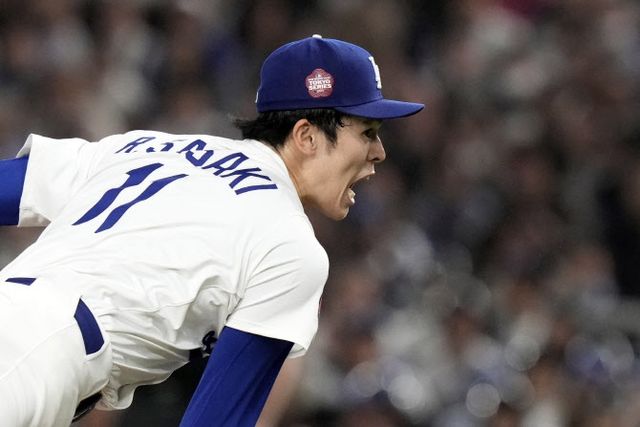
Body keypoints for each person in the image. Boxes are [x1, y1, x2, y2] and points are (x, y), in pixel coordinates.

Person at [0, 34, 424, 426]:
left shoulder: (148, 146)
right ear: (307, 137)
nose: (379, 152)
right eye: (367, 133)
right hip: (41, 356)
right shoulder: (291, 244)